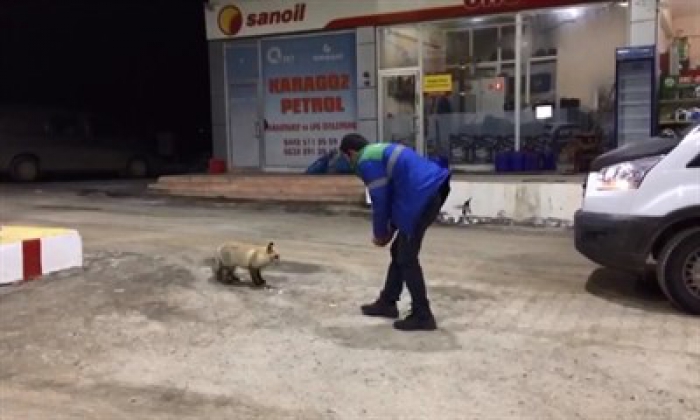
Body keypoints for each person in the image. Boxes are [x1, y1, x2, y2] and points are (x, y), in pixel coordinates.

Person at [339, 133, 451, 331]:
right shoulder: (378, 152)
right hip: (430, 190)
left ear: (350, 153)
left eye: (345, 158)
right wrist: (390, 230)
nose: (347, 163)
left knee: (407, 257)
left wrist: (380, 232)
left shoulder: (366, 160)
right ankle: (388, 302)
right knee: (399, 250)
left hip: (422, 195)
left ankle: (423, 315)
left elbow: (381, 200)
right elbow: (394, 196)